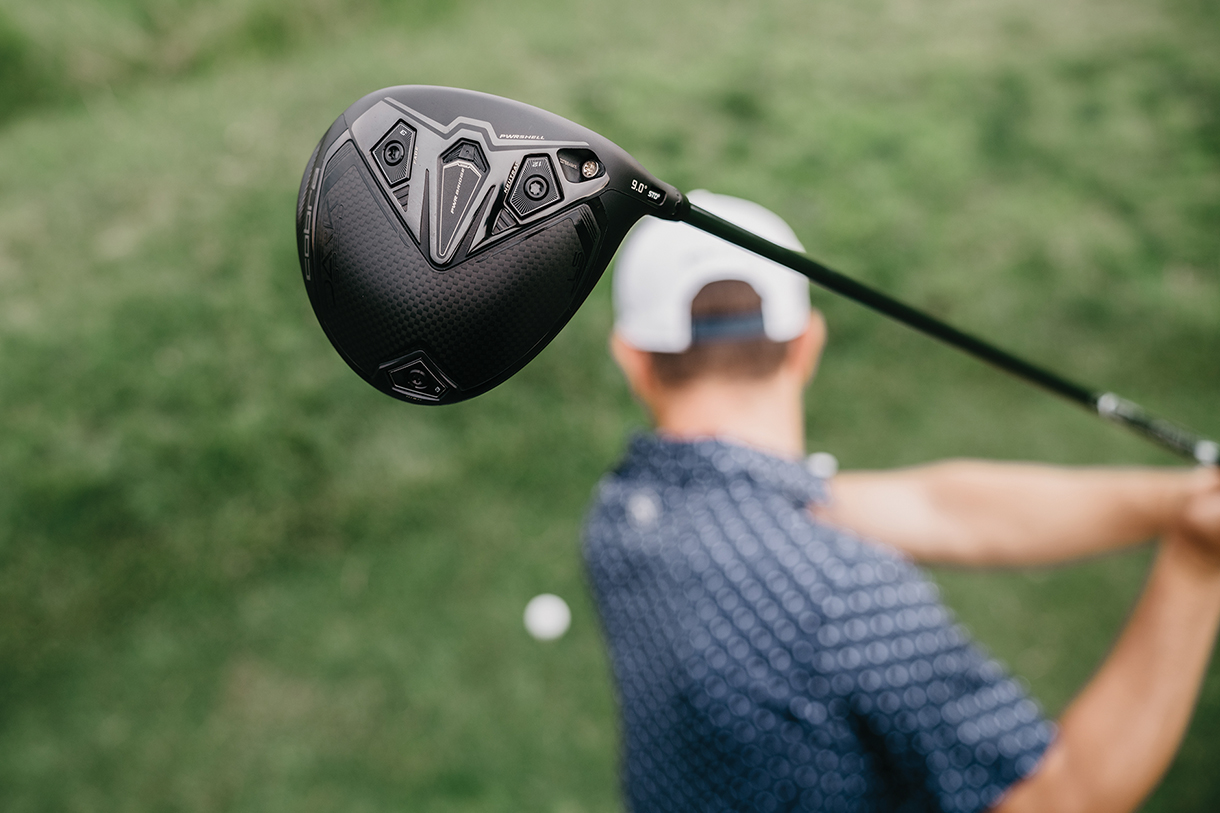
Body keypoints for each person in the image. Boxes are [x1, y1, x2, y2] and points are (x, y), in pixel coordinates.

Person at [581, 190, 1220, 813]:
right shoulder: (843, 593)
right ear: (807, 345)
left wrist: (1181, 501)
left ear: (632, 359)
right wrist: (1198, 560)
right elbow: (1061, 795)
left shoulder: (624, 512)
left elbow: (941, 508)